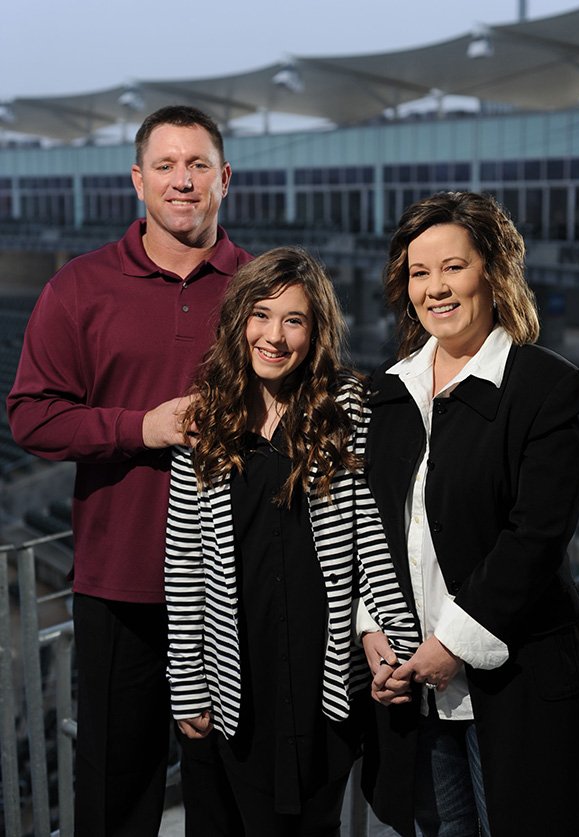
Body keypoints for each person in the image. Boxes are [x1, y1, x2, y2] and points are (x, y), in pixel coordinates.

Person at [7, 105, 252, 836]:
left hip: (235, 585)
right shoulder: (79, 288)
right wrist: (141, 427)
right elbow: (31, 415)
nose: (184, 181)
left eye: (199, 164)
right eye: (168, 166)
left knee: (229, 796)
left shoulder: (264, 292)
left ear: (225, 179)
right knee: (117, 794)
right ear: (138, 181)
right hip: (120, 586)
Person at [359, 191, 579, 837]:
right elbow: (369, 528)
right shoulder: (389, 391)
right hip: (418, 687)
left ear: (492, 271)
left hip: (515, 685)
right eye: (419, 272)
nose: (435, 287)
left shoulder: (548, 387)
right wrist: (371, 630)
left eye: (453, 267)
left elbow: (536, 537)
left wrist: (452, 645)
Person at [164, 246, 419, 837]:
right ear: (239, 322)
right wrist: (188, 687)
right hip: (235, 670)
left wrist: (394, 639)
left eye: (294, 320)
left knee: (315, 823)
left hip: (322, 671)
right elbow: (184, 569)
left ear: (316, 330)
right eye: (260, 314)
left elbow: (371, 541)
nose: (273, 336)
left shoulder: (346, 408)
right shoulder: (207, 419)